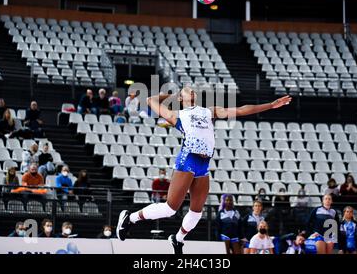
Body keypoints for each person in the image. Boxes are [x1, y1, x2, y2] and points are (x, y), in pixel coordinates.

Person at [116, 88, 291, 254]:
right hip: (188, 160)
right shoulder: (178, 115)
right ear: (180, 98)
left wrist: (271, 105)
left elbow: (240, 110)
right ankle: (130, 218)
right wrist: (170, 94)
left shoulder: (209, 111)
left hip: (203, 164)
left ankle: (177, 239)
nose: (191, 90)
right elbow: (150, 100)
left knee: (196, 213)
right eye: (186, 90)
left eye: (192, 89)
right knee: (170, 208)